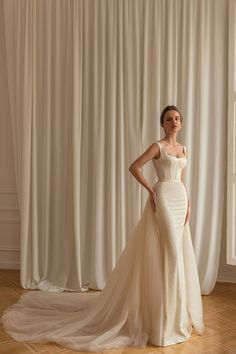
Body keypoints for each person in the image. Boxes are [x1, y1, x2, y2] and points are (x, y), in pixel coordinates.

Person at [1, 105, 204, 352]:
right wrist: (152, 190)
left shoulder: (184, 149)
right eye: (169, 119)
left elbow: (181, 180)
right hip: (162, 200)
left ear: (181, 123)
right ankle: (162, 324)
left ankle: (173, 319)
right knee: (170, 255)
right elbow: (134, 167)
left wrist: (189, 202)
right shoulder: (158, 146)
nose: (174, 122)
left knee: (178, 257)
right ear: (162, 123)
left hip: (180, 200)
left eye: (177, 118)